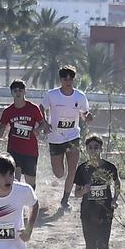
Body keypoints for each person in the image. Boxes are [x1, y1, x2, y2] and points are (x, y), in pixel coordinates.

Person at [73, 134, 123, 249]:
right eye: (90, 148)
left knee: (103, 243)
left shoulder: (109, 167)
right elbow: (76, 193)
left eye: (96, 147)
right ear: (86, 150)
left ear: (101, 148)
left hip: (105, 211)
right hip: (87, 213)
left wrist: (114, 199)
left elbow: (118, 183)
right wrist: (84, 190)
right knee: (90, 245)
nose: (93, 150)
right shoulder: (82, 169)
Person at [42, 66, 94, 212]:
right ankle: (62, 176)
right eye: (65, 78)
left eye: (71, 78)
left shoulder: (80, 96)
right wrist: (45, 122)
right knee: (59, 173)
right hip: (55, 137)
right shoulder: (52, 95)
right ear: (61, 80)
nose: (68, 81)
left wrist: (87, 117)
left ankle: (65, 200)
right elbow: (41, 108)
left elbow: (84, 113)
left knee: (72, 170)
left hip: (73, 136)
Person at [0, 81, 47, 188]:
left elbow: (42, 123)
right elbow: (1, 126)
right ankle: (16, 203)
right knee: (15, 179)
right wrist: (0, 131)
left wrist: (37, 130)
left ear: (25, 92)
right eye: (15, 91)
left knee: (30, 182)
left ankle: (31, 201)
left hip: (30, 150)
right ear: (11, 93)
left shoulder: (33, 108)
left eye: (20, 90)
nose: (18, 93)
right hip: (14, 149)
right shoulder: (8, 111)